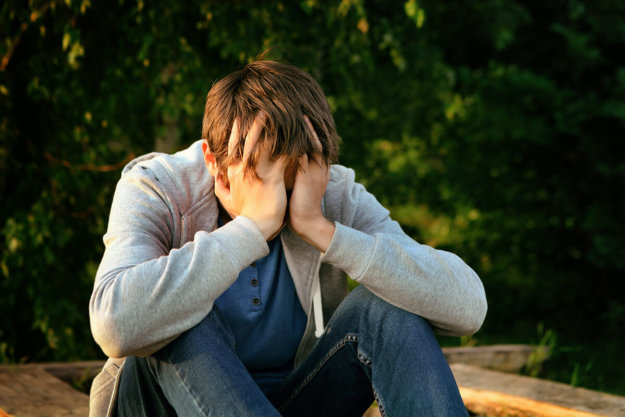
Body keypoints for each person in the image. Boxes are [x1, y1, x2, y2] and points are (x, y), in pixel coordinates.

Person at [88, 59, 487, 417]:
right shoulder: (158, 186)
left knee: (387, 312)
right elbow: (114, 324)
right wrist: (252, 228)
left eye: (293, 186)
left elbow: (469, 307)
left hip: (290, 402)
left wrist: (321, 229)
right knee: (181, 312)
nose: (280, 203)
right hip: (160, 406)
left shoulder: (330, 192)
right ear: (215, 163)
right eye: (265, 181)